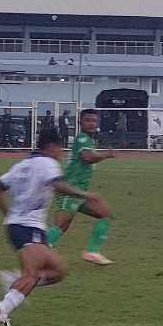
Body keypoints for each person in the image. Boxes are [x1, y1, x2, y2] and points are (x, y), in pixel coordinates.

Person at [0, 129, 97, 326]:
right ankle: (0, 311)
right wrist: (85, 195)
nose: (61, 154)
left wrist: (9, 215)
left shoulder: (22, 165)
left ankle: (14, 283)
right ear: (52, 147)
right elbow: (58, 185)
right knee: (33, 274)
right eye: (60, 149)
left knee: (58, 269)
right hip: (28, 228)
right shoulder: (48, 163)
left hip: (22, 227)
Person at [47, 109, 117, 266]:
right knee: (60, 226)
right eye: (87, 120)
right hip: (69, 190)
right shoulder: (82, 138)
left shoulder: (88, 140)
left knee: (105, 214)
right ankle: (37, 251)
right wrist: (106, 154)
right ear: (80, 122)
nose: (91, 123)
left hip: (80, 192)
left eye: (94, 120)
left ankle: (92, 252)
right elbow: (87, 157)